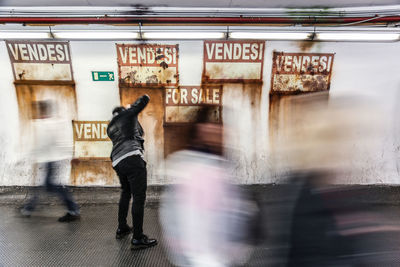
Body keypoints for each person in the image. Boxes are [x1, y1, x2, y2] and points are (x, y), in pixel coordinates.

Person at [107, 94, 157, 250]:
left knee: (126, 192)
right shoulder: (128, 115)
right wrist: (132, 108)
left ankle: (122, 227)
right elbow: (143, 101)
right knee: (139, 197)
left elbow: (136, 131)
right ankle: (137, 238)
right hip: (132, 158)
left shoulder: (110, 127)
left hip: (117, 161)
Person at [21, 100, 80, 222]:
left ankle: (73, 209)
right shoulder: (47, 123)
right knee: (45, 185)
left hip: (51, 160)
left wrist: (31, 155)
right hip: (50, 159)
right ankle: (29, 207)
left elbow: (49, 143)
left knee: (49, 185)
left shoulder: (47, 124)